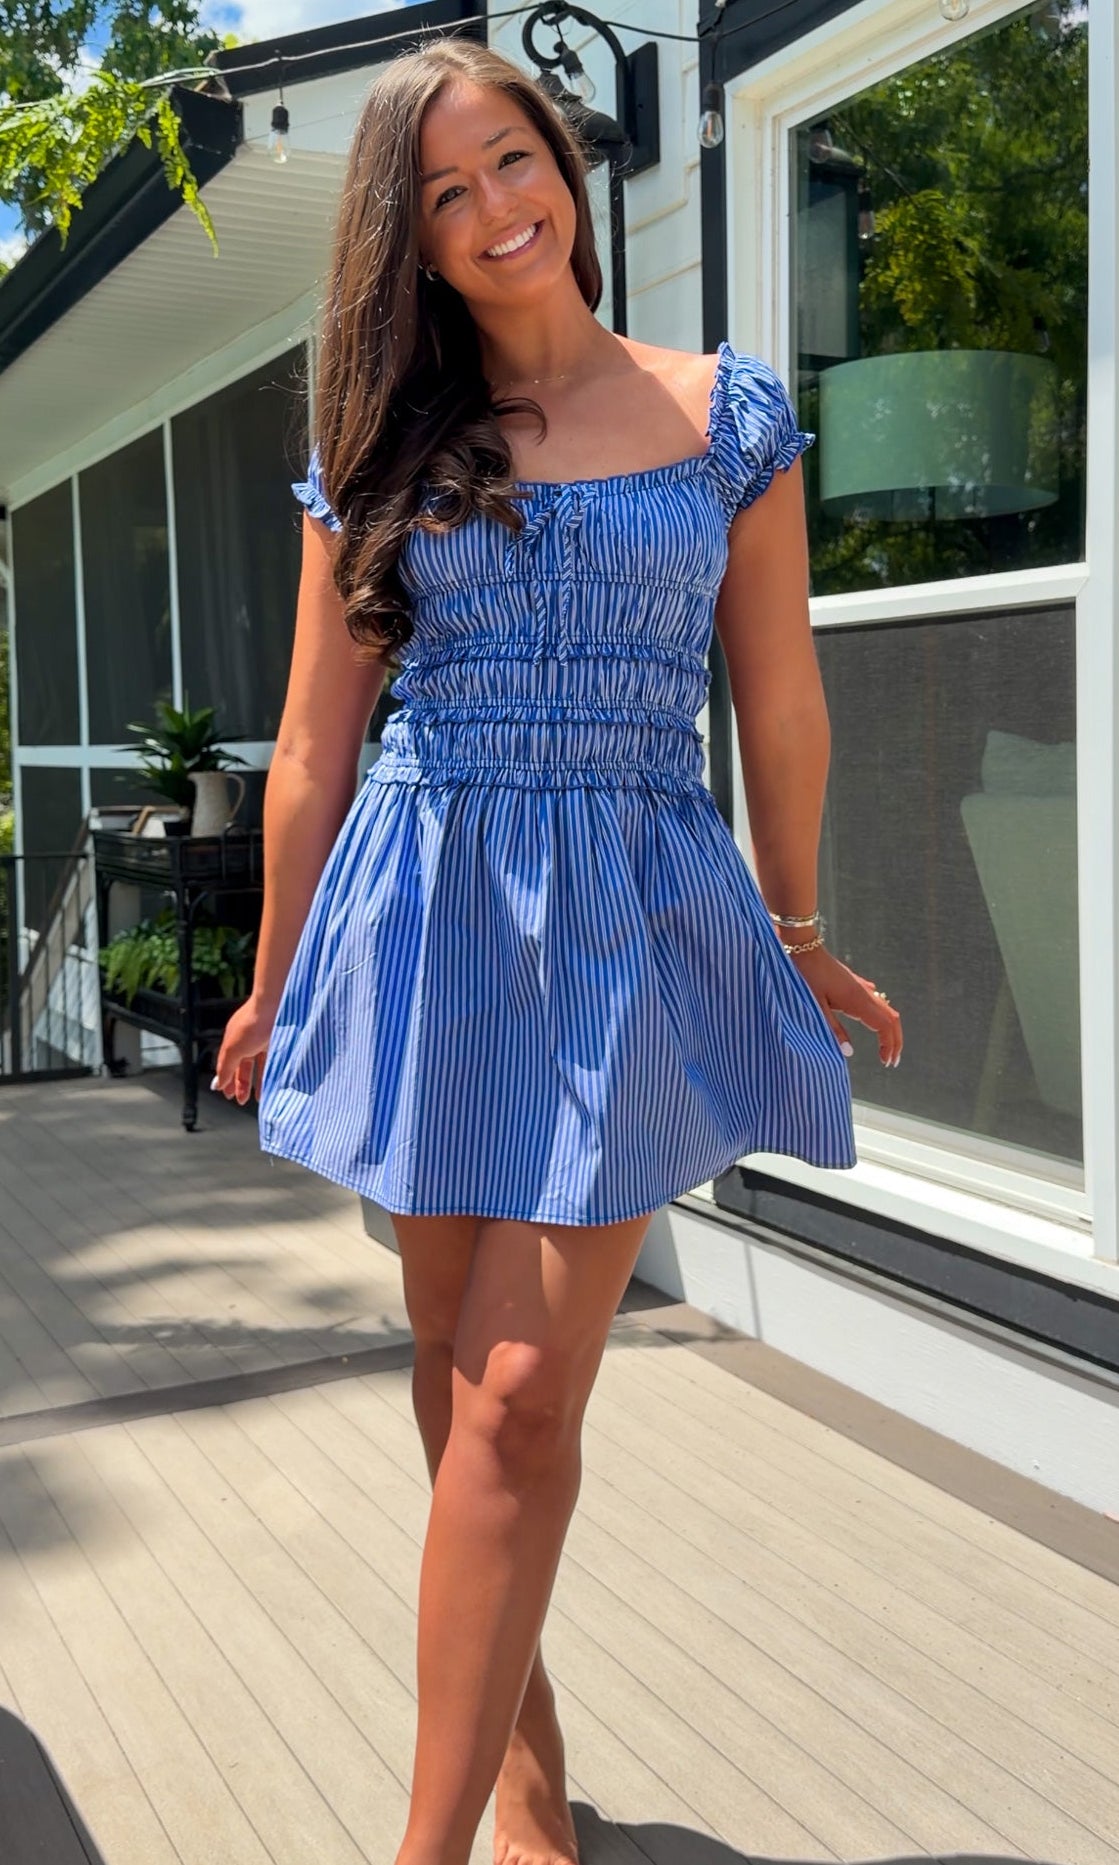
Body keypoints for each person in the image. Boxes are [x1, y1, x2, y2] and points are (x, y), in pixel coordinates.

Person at [212, 34, 902, 1865]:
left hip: (623, 919)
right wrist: (278, 980)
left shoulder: (727, 415)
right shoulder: (382, 443)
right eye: (444, 193)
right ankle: (528, 1784)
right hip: (427, 914)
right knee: (453, 1378)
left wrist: (799, 920)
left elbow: (784, 702)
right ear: (412, 242)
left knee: (519, 1397)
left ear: (564, 163)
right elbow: (308, 746)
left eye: (510, 160)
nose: (494, 208)